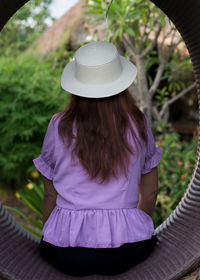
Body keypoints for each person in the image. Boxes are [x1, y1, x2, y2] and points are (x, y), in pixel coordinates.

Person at [33, 41, 162, 277]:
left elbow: (50, 195)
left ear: (77, 86)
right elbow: (151, 192)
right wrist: (131, 229)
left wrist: (53, 233)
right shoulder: (139, 123)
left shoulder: (58, 125)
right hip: (127, 251)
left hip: (66, 253)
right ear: (121, 84)